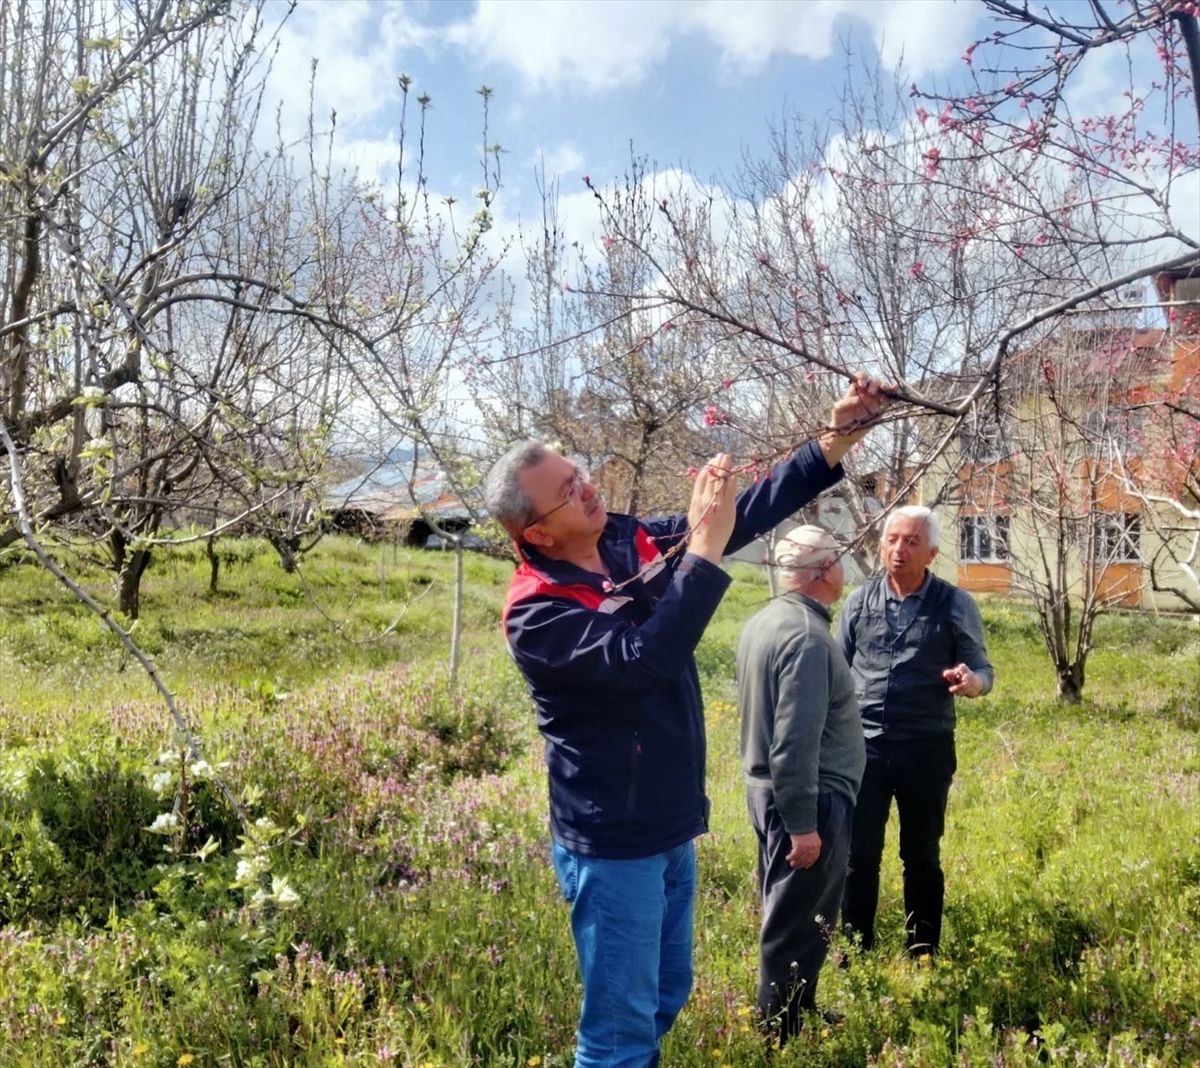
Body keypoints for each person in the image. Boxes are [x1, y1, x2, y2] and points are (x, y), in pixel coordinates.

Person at [482, 374, 887, 1068]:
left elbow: (745, 514)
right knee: (618, 1035)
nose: (587, 486)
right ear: (538, 531)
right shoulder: (538, 613)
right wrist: (701, 553)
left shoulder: (625, 542)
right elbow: (645, 659)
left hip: (669, 824)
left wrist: (835, 438)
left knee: (667, 993)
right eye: (568, 490)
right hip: (613, 844)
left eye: (578, 472)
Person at [837, 504, 994, 957]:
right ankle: (855, 956)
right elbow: (836, 668)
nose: (899, 550)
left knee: (921, 856)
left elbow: (983, 668)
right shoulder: (859, 602)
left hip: (926, 750)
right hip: (863, 749)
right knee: (858, 857)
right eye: (892, 539)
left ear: (932, 553)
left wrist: (972, 683)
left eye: (911, 542)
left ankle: (922, 955)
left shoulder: (954, 603)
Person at [737, 524, 864, 1043]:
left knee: (809, 913)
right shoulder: (808, 638)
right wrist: (804, 825)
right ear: (822, 573)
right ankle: (778, 1036)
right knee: (792, 921)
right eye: (837, 560)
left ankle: (800, 1005)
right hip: (807, 798)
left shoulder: (767, 620)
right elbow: (792, 742)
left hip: (775, 793)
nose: (842, 570)